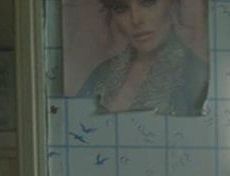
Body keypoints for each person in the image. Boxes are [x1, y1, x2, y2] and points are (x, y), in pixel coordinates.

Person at [78, 0, 209, 115]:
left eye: (148, 2)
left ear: (172, 3)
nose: (136, 20)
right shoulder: (102, 74)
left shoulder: (197, 76)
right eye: (121, 9)